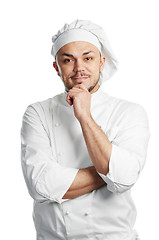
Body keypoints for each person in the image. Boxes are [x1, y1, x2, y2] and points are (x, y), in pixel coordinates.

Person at [20, 19, 150, 240]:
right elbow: (41, 185)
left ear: (101, 62)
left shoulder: (129, 112)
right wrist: (108, 171)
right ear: (56, 67)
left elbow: (124, 177)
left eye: (88, 58)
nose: (79, 68)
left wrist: (85, 116)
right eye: (68, 60)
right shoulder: (37, 113)